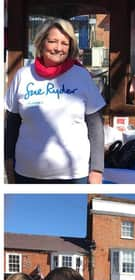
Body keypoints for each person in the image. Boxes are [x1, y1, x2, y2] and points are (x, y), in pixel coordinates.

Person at [4, 19, 105, 184]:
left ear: (70, 47)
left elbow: (95, 125)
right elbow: (12, 124)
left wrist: (96, 169)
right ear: (41, 43)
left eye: (65, 43)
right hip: (26, 173)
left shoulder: (81, 76)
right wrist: (8, 162)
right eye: (53, 41)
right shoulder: (23, 76)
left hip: (73, 175)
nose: (58, 48)